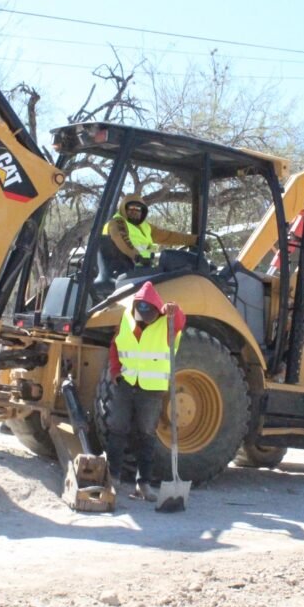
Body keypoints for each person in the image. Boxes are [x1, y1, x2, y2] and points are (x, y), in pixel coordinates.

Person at [104, 281, 185, 502]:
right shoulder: (127, 318)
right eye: (140, 310)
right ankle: (113, 477)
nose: (143, 315)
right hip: (126, 383)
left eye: (149, 311)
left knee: (146, 434)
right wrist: (115, 371)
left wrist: (173, 310)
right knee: (117, 428)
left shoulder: (167, 321)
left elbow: (180, 321)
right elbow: (116, 345)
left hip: (151, 388)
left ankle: (144, 484)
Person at [102, 194, 198, 271]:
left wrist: (194, 240)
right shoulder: (117, 222)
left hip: (141, 269)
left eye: (138, 209)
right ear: (124, 208)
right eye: (131, 208)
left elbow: (167, 236)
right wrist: (136, 256)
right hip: (121, 270)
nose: (134, 211)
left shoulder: (145, 226)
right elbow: (121, 239)